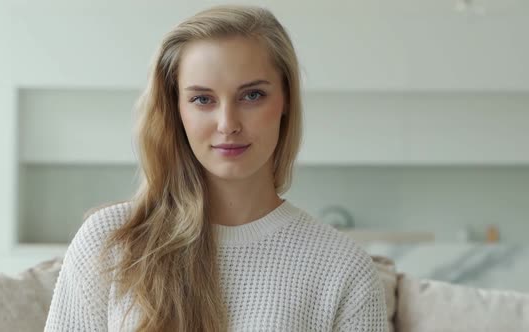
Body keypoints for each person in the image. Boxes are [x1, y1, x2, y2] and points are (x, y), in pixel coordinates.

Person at [44, 4, 388, 332]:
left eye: (251, 96)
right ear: (176, 109)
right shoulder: (110, 242)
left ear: (285, 99)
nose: (227, 124)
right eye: (202, 99)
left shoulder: (344, 268)